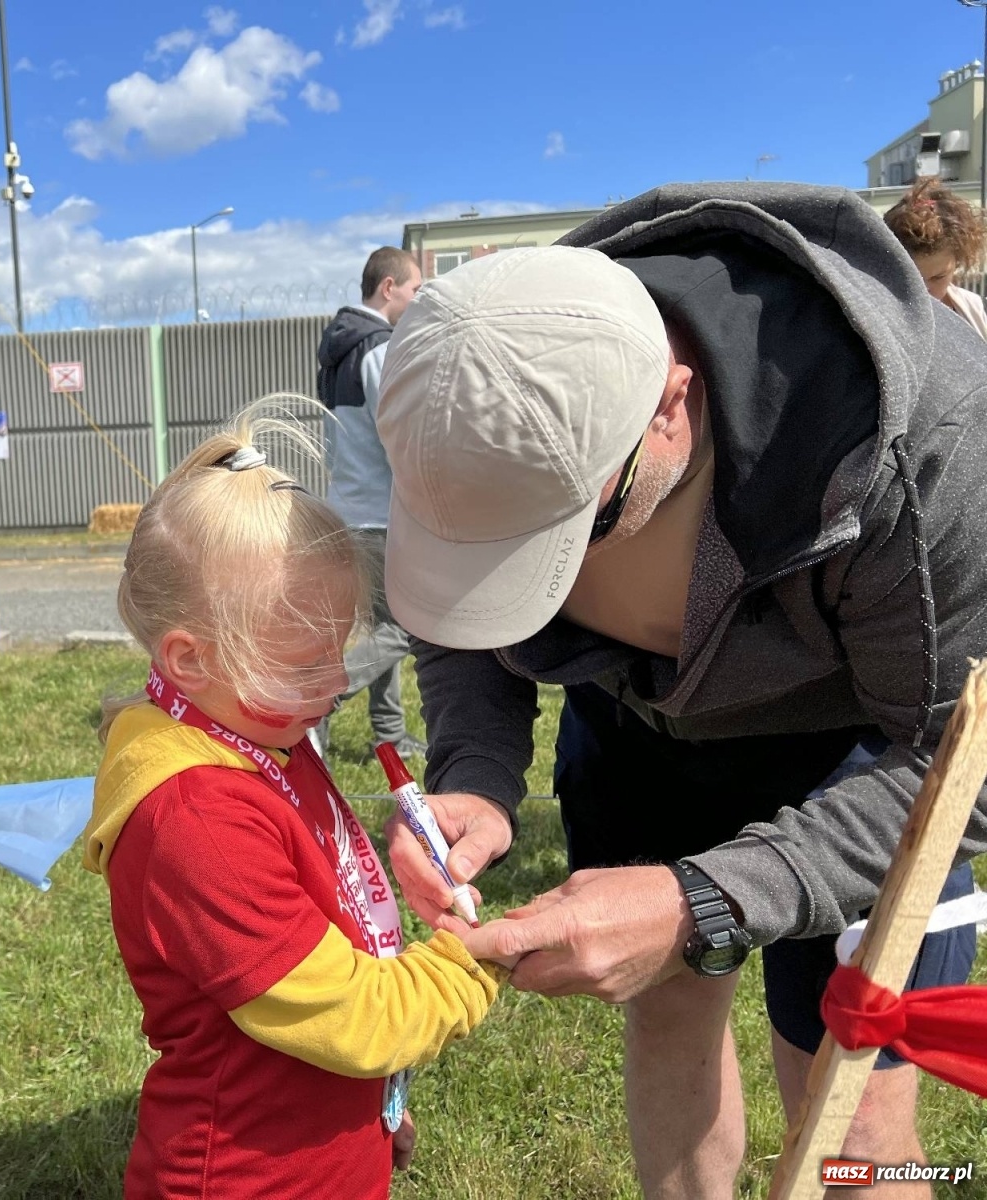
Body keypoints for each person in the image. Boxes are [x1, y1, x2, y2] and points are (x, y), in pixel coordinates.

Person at [376, 185, 987, 1200]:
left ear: (669, 401)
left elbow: (952, 765)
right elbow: (460, 621)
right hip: (634, 737)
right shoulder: (493, 371)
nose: (548, 580)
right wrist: (477, 776)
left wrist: (700, 902)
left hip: (862, 758)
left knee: (854, 1092)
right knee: (664, 1018)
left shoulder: (932, 448)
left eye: (563, 538)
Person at [82, 404, 507, 1200]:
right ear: (190, 658)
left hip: (314, 1149)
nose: (338, 683)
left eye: (339, 652)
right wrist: (476, 960)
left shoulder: (254, 735)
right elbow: (354, 1016)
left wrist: (370, 1106)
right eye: (306, 665)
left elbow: (318, 926)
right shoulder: (195, 818)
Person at [313, 246, 424, 760]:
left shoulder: (338, 347)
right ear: (388, 287)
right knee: (404, 629)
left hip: (347, 509)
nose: (416, 299)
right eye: (415, 290)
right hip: (379, 515)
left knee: (382, 628)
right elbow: (398, 432)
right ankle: (319, 702)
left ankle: (390, 736)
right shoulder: (378, 347)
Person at [884, 177, 987, 339]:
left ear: (957, 262)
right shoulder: (879, 317)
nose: (925, 290)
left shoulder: (973, 307)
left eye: (939, 277)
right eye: (913, 277)